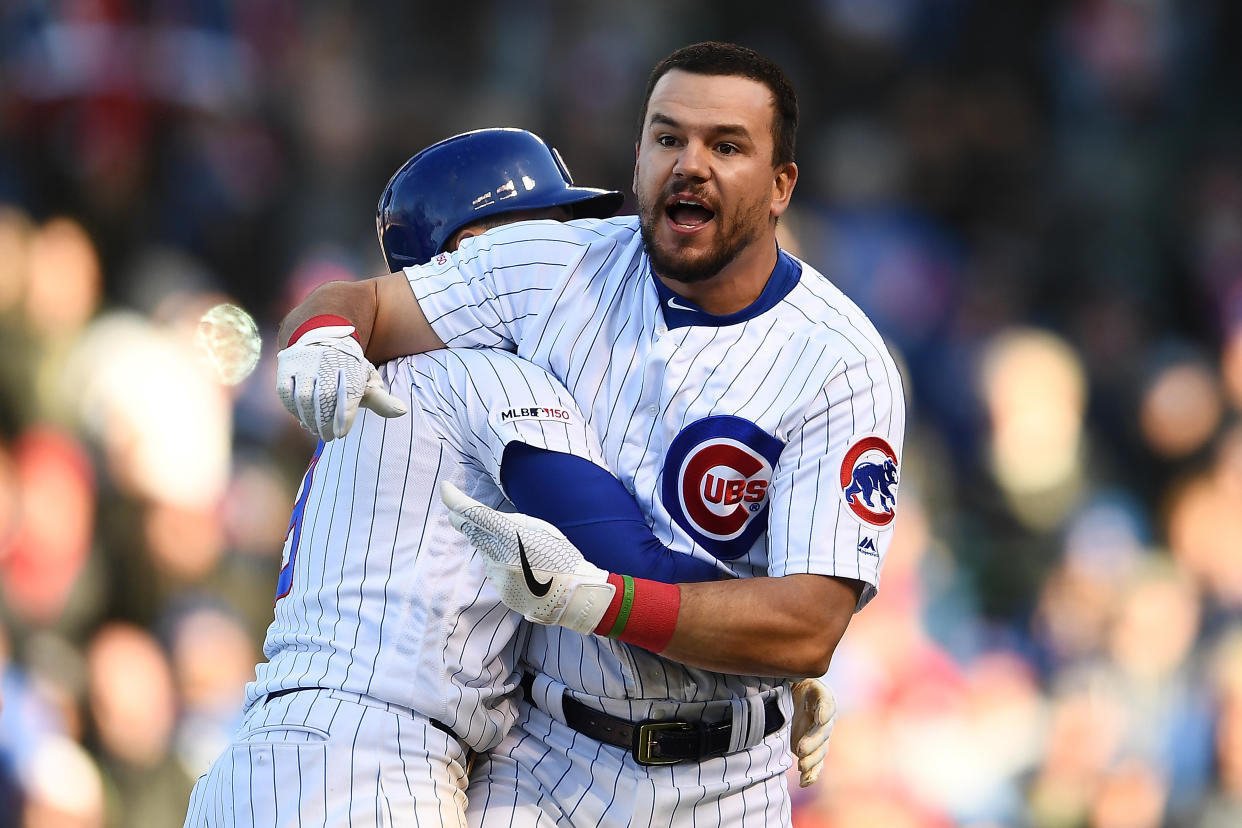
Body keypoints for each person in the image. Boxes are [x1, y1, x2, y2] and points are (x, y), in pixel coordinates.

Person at [274, 41, 897, 826]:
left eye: (726, 145)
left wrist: (763, 657)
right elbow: (619, 564)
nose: (691, 163)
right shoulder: (517, 309)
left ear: (782, 186)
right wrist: (746, 648)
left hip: (725, 781)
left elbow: (806, 622)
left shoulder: (839, 359)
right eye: (669, 138)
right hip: (527, 756)